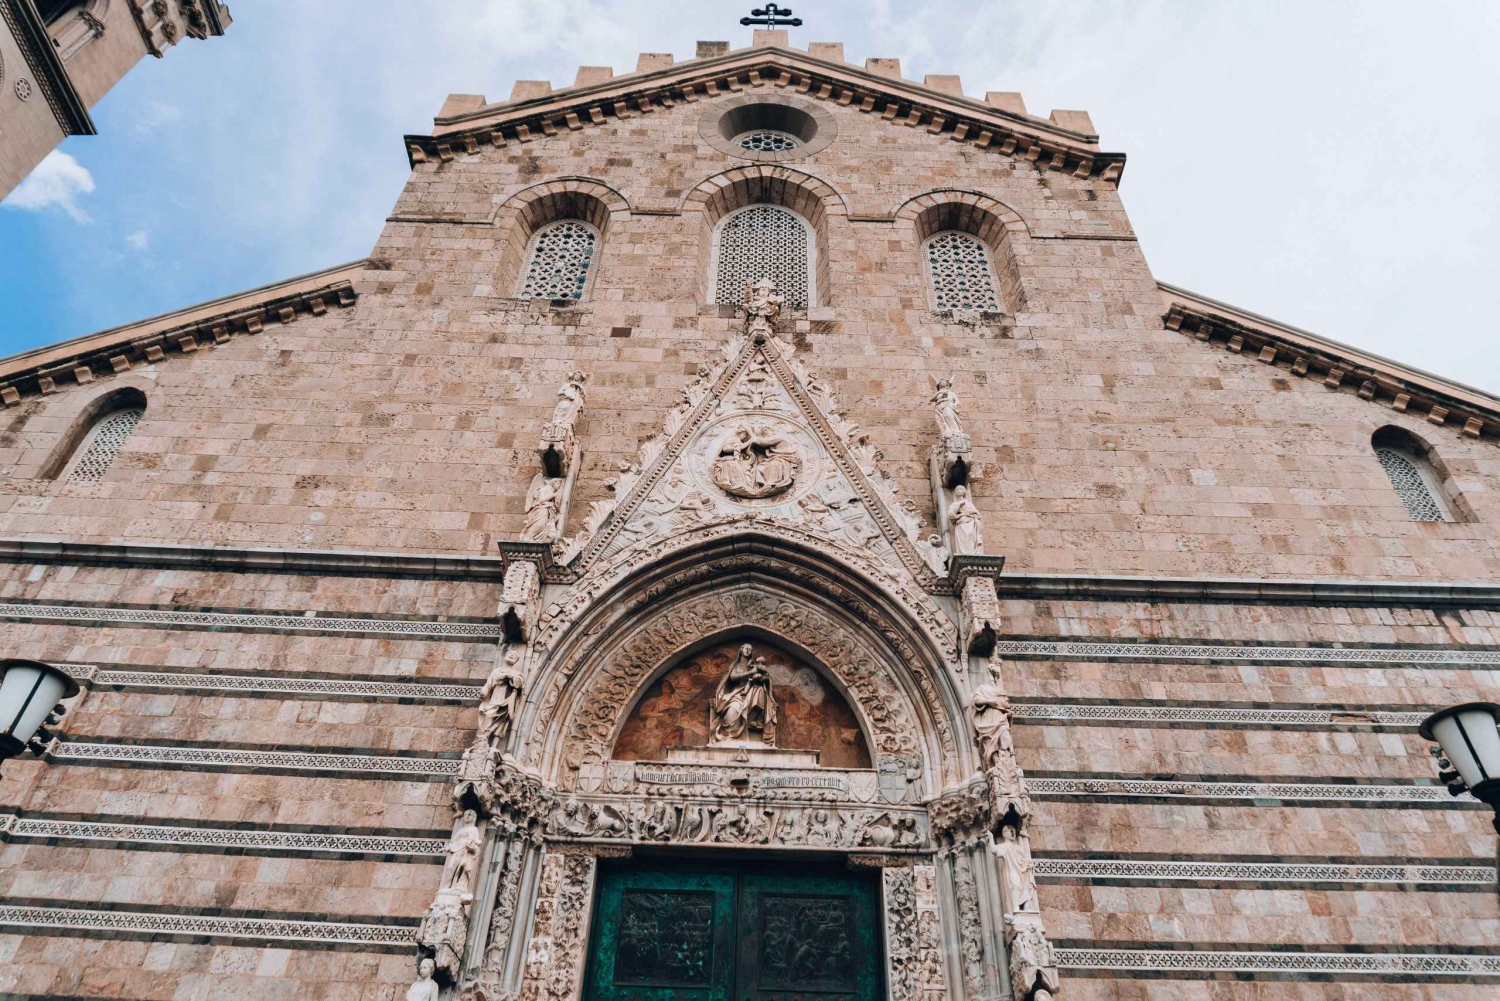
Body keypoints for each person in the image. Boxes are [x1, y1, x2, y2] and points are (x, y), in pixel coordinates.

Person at [708, 644, 778, 745]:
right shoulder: (736, 666)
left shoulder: (753, 666)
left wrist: (761, 677)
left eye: (750, 649)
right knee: (734, 707)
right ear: (741, 650)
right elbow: (732, 677)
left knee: (760, 691)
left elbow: (766, 677)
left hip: (750, 693)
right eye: (746, 648)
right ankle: (730, 735)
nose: (748, 651)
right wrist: (750, 673)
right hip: (736, 694)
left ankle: (756, 719)